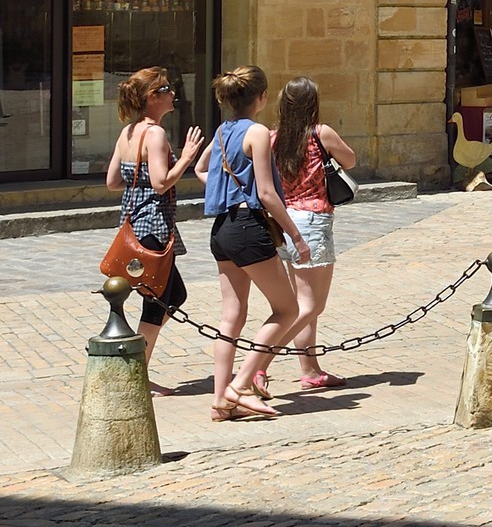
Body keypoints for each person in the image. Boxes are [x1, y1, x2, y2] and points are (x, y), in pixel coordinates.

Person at [195, 65, 312, 421]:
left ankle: (220, 400)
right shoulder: (257, 132)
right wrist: (295, 234)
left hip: (221, 228)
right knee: (288, 309)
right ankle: (240, 385)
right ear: (261, 98)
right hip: (248, 226)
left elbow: (202, 171)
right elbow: (266, 192)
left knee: (231, 315)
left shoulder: (221, 133)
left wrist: (227, 189)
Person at [104, 66, 203, 392]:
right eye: (167, 89)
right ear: (153, 97)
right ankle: (134, 374)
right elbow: (162, 183)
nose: (174, 93)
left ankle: (138, 371)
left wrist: (141, 178)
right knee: (161, 298)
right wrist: (186, 157)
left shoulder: (128, 132)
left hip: (135, 226)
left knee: (171, 295)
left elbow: (113, 182)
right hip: (153, 230)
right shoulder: (156, 134)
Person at [271, 76, 356, 391]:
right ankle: (259, 364)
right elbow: (351, 160)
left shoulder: (273, 137)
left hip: (284, 222)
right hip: (313, 222)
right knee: (311, 306)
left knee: (302, 303)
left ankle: (309, 368)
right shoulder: (321, 134)